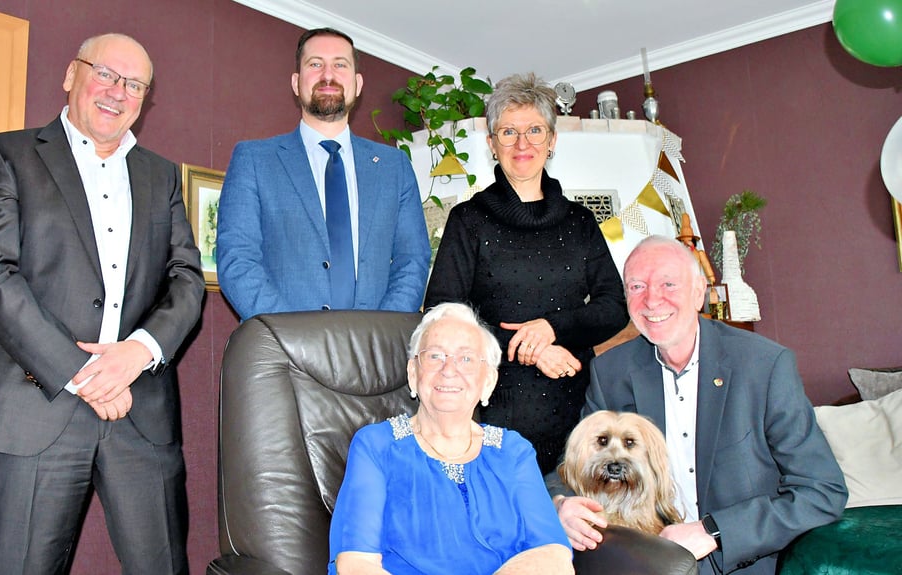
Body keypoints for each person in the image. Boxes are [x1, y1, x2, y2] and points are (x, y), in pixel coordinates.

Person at [0, 33, 204, 574]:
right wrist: (85, 372)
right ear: (72, 74)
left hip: (141, 410)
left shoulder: (161, 175)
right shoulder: (6, 154)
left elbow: (185, 277)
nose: (118, 92)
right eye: (107, 74)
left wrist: (139, 352)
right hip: (32, 405)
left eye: (135, 84)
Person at [554, 235, 846, 575]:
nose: (652, 300)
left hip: (740, 563)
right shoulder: (611, 371)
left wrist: (714, 531)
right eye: (637, 286)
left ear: (699, 293)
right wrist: (561, 504)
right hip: (645, 557)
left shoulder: (763, 366)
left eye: (668, 283)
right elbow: (571, 468)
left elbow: (822, 490)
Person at [424, 73, 628, 474]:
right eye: (509, 132)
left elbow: (614, 306)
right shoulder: (468, 220)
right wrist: (531, 347)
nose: (522, 144)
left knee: (576, 527)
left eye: (535, 130)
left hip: (578, 410)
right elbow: (440, 314)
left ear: (552, 141)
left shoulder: (580, 221)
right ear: (491, 144)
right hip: (492, 408)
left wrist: (552, 329)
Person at [329, 303, 573, 575]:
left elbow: (552, 554)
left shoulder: (514, 452)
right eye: (435, 356)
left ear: (488, 381)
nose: (449, 369)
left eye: (466, 359)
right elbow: (356, 563)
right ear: (413, 373)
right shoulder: (376, 446)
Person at [215, 27, 430, 320]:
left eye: (340, 64)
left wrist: (378, 335)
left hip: (374, 354)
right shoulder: (254, 160)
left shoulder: (395, 167)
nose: (328, 74)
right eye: (315, 64)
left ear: (357, 84)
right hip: (284, 354)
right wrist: (295, 338)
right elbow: (237, 261)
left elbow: (412, 261)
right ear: (296, 82)